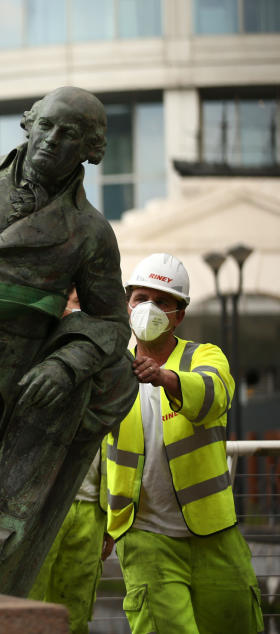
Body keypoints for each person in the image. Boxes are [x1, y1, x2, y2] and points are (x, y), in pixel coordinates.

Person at [0, 86, 138, 593]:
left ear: (90, 150)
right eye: (47, 125)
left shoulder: (91, 231)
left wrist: (65, 365)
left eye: (69, 133)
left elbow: (112, 322)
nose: (52, 139)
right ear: (29, 124)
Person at [104, 252, 263, 633]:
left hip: (212, 533)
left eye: (162, 302)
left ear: (180, 315)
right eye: (141, 299)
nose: (149, 309)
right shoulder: (110, 372)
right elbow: (94, 452)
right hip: (144, 537)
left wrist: (165, 378)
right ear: (127, 305)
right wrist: (102, 527)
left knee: (235, 624)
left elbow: (214, 395)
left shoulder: (204, 357)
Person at [27, 290, 111, 633]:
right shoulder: (34, 353)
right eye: (72, 298)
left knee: (75, 616)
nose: (77, 308)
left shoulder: (107, 362)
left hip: (91, 508)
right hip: (39, 508)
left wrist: (109, 515)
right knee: (30, 612)